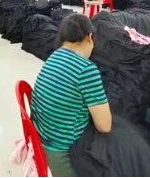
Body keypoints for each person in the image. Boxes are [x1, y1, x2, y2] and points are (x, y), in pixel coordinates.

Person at [31, 14, 111, 177]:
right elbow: (105, 126)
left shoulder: (55, 55)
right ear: (89, 38)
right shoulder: (86, 70)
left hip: (41, 138)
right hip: (62, 154)